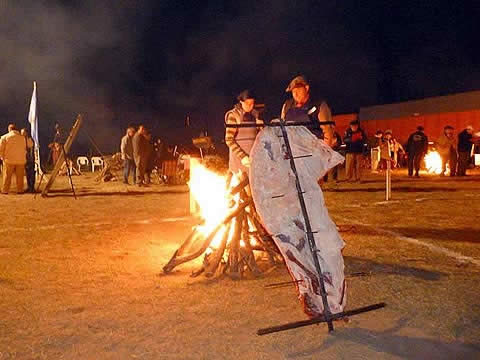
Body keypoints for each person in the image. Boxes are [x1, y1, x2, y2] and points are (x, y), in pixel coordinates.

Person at [225, 90, 262, 179]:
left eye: (252, 103)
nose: (250, 106)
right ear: (241, 102)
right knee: (239, 189)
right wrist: (242, 156)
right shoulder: (234, 115)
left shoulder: (256, 115)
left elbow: (261, 138)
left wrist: (261, 126)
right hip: (239, 162)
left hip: (253, 161)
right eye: (247, 103)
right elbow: (229, 140)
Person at [280, 75, 331, 140]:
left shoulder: (319, 105)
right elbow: (282, 129)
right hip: (293, 148)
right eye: (293, 91)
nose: (295, 94)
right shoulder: (287, 105)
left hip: (313, 147)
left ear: (306, 88)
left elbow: (328, 131)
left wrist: (324, 149)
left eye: (298, 90)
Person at [0, 124, 27, 194]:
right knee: (20, 177)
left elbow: (1, 149)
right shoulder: (22, 138)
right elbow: (24, 148)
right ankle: (20, 190)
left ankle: (5, 190)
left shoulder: (4, 137)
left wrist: (2, 157)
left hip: (9, 160)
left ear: (9, 129)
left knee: (7, 176)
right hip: (21, 160)